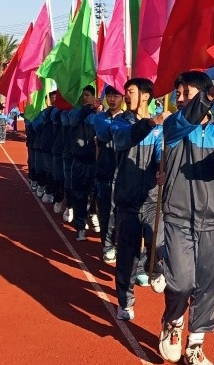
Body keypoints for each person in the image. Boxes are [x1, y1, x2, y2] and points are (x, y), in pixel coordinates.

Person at [154, 71, 214, 365]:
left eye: (186, 93)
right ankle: (173, 321)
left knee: (209, 283)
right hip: (178, 215)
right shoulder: (175, 127)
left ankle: (195, 345)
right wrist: (211, 93)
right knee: (181, 282)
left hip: (213, 219)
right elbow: (186, 118)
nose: (180, 98)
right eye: (178, 93)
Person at [104, 77, 168, 321]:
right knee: (126, 256)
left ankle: (156, 269)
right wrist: (152, 122)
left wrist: (163, 169)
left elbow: (162, 154)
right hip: (127, 202)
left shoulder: (161, 126)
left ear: (145, 96)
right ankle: (125, 301)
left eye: (129, 91)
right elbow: (124, 140)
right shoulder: (120, 123)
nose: (125, 96)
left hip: (152, 200)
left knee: (158, 241)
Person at [93, 86, 125, 264]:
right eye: (109, 95)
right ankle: (107, 246)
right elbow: (105, 134)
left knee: (121, 214)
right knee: (105, 212)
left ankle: (120, 245)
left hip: (123, 174)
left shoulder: (128, 119)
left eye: (116, 95)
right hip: (105, 173)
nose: (112, 99)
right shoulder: (100, 118)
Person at [66, 86, 99, 242]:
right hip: (79, 162)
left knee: (97, 195)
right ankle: (80, 226)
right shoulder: (75, 113)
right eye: (82, 95)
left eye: (87, 95)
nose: (84, 98)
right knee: (79, 194)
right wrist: (88, 109)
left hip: (96, 163)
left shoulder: (100, 115)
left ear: (94, 96)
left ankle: (92, 214)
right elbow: (73, 120)